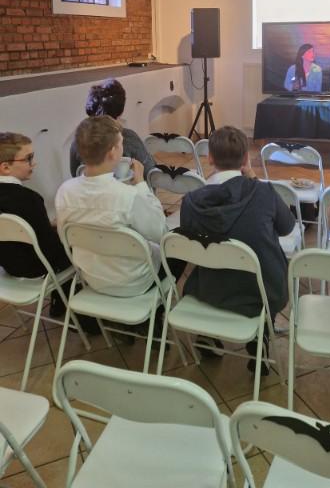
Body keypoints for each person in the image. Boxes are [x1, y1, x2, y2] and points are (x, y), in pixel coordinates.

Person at [180, 125, 295, 371]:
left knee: (211, 256)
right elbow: (287, 226)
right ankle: (260, 337)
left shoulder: (191, 202)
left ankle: (207, 335)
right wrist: (253, 178)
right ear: (245, 159)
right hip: (261, 291)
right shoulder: (263, 192)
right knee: (265, 256)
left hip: (211, 288)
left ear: (210, 158)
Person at [57, 116, 167, 297]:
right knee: (176, 251)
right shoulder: (128, 196)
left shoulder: (65, 192)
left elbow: (65, 237)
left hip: (92, 278)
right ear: (113, 152)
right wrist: (141, 185)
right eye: (121, 143)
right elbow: (160, 233)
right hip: (136, 282)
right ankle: (157, 309)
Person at [0, 132, 70, 279]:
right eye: (28, 158)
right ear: (6, 167)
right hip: (38, 269)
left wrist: (47, 226)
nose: (34, 163)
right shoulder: (29, 199)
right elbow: (50, 248)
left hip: (10, 268)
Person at [70, 79, 155, 179]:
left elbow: (75, 173)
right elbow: (150, 172)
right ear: (121, 110)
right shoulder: (129, 138)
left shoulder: (79, 140)